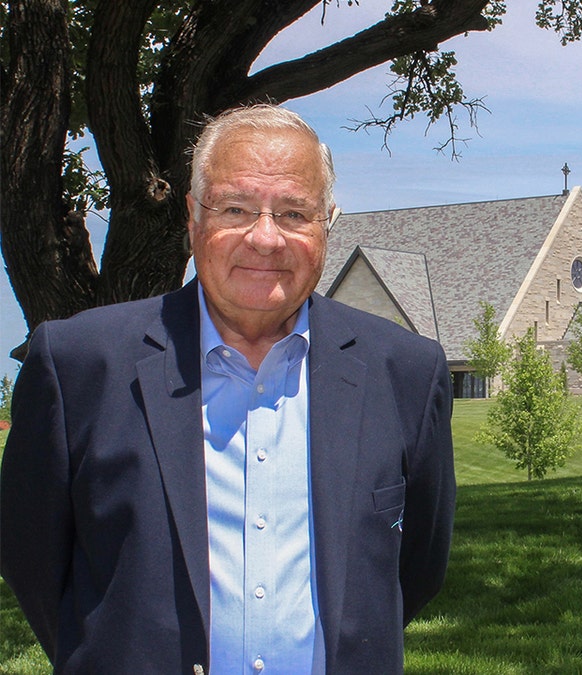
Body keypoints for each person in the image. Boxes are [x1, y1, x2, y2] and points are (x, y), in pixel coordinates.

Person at [0, 104, 455, 673]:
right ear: (193, 218)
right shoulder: (80, 367)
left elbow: (417, 568)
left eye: (294, 213)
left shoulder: (407, 373)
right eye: (236, 208)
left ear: (327, 223)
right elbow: (33, 563)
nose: (266, 238)